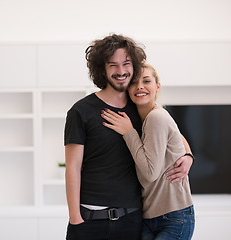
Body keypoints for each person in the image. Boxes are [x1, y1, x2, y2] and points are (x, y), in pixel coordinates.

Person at [64, 34, 194, 240]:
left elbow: (174, 134)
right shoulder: (81, 111)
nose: (121, 71)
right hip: (90, 220)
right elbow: (72, 166)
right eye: (113, 65)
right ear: (102, 69)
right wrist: (75, 218)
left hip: (132, 221)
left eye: (126, 63)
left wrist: (188, 156)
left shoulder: (141, 107)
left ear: (133, 65)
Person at [101, 62, 195, 240]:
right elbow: (177, 135)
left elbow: (150, 173)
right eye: (134, 82)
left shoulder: (156, 116)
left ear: (157, 86)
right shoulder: (139, 117)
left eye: (146, 81)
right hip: (148, 216)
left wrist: (129, 132)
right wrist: (188, 155)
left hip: (173, 217)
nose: (140, 87)